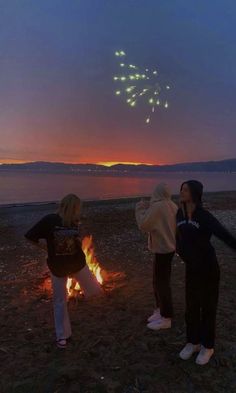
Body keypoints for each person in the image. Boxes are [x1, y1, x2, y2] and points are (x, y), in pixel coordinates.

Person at [25, 194, 103, 349]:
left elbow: (74, 241)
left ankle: (96, 315)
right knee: (60, 301)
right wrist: (45, 247)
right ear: (71, 207)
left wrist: (78, 242)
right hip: (58, 267)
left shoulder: (73, 222)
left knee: (95, 292)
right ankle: (62, 336)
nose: (79, 212)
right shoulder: (49, 220)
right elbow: (29, 236)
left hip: (78, 264)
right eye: (77, 208)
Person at [176, 180, 236, 365]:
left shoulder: (204, 216)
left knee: (208, 308)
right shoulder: (179, 213)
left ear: (194, 193)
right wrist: (181, 253)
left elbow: (223, 234)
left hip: (208, 268)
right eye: (181, 188)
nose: (181, 191)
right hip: (191, 269)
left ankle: (207, 346)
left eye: (185, 189)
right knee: (191, 307)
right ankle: (193, 342)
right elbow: (178, 238)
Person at [135, 183, 178, 330]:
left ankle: (166, 317)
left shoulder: (158, 207)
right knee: (158, 281)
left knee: (162, 283)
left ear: (157, 193)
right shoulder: (172, 205)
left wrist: (140, 208)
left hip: (163, 249)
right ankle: (160, 310)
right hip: (170, 248)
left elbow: (144, 225)